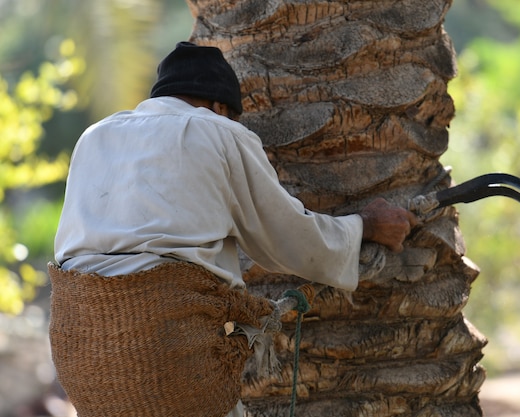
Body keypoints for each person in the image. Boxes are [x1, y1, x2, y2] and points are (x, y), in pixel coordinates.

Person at [49, 41, 418, 417]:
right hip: (167, 347)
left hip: (80, 354)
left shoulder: (93, 136)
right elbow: (289, 238)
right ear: (221, 107)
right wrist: (366, 226)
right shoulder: (219, 131)